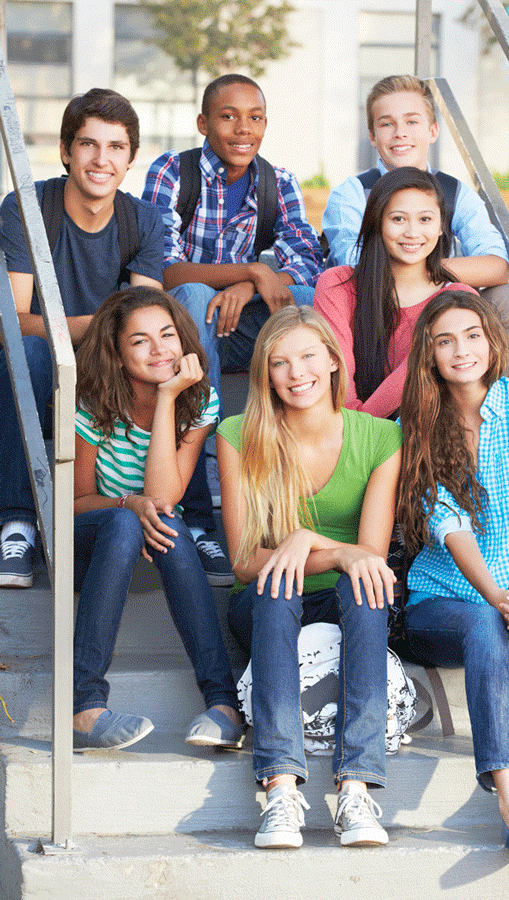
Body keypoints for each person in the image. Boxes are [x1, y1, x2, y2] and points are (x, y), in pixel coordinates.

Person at [217, 305, 402, 849]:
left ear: (332, 360)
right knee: (277, 587)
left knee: (368, 589)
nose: (296, 373)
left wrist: (307, 540)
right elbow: (246, 561)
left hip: (345, 598)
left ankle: (357, 785)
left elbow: (368, 556)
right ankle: (279, 787)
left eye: (307, 356)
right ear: (264, 373)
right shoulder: (238, 434)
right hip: (265, 601)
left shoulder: (380, 439)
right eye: (279, 362)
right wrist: (317, 551)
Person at [397, 289, 509, 875]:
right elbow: (448, 523)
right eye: (445, 341)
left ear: (493, 341)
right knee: (496, 618)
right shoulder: (417, 421)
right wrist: (495, 596)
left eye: (471, 335)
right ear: (430, 355)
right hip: (442, 597)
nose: (461, 350)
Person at [142, 73, 323, 566]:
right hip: (184, 331)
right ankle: (206, 461)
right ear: (203, 123)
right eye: (228, 116)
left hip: (237, 327)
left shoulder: (277, 180)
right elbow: (162, 265)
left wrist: (251, 285)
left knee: (311, 297)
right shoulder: (173, 173)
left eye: (256, 117)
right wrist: (248, 270)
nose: (244, 129)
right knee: (197, 292)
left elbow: (307, 255)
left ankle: (305, 457)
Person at [0, 88, 164, 588]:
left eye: (116, 147)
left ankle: (186, 516)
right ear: (67, 151)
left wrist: (108, 334)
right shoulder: (28, 207)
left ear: (131, 158)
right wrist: (94, 326)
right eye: (88, 144)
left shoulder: (143, 221)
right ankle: (17, 522)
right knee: (24, 352)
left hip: (111, 368)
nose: (101, 159)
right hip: (49, 359)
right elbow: (14, 321)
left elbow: (147, 325)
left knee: (165, 357)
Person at [72, 286, 243, 752]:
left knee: (166, 521)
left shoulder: (197, 400)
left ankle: (223, 706)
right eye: (140, 341)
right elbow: (75, 503)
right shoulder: (91, 401)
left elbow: (165, 496)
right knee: (130, 522)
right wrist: (129, 505)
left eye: (167, 334)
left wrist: (168, 399)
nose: (159, 349)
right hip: (91, 540)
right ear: (116, 351)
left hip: (157, 539)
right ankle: (85, 707)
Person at [321, 74, 509, 389]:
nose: (400, 133)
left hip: (442, 308)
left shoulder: (454, 193)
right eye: (387, 124)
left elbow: (495, 265)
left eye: (412, 122)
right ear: (372, 136)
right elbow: (356, 267)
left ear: (433, 130)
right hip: (376, 315)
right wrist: (424, 277)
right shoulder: (353, 194)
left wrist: (426, 273)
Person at [315, 166, 476, 419]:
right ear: (377, 222)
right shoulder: (337, 285)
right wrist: (356, 433)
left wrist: (362, 429)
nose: (412, 232)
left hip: (424, 435)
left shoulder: (457, 299)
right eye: (398, 219)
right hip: (343, 430)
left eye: (425, 219)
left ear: (441, 227)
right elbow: (336, 375)